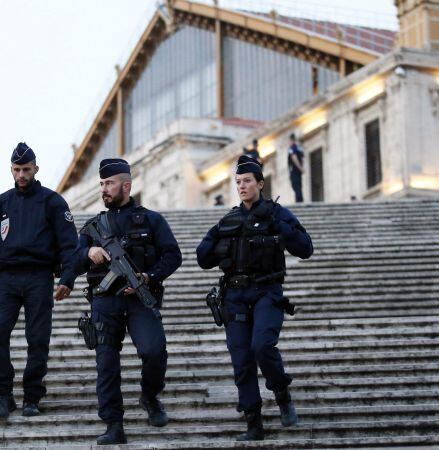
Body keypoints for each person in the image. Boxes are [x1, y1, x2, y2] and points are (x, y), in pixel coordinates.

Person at [196, 155, 313, 441]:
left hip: (266, 292)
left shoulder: (277, 213)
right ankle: (253, 423)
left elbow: (305, 248)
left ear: (261, 183)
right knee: (241, 360)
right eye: (238, 182)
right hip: (234, 296)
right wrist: (223, 239)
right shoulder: (229, 219)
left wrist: (278, 225)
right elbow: (202, 257)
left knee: (262, 345)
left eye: (247, 181)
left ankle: (282, 393)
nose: (242, 186)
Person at [74, 158, 182, 445]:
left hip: (139, 300)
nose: (104, 189)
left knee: (154, 352)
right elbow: (69, 262)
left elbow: (173, 255)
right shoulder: (92, 228)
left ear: (126, 185)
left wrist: (149, 276)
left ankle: (149, 397)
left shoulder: (151, 220)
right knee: (106, 364)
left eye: (109, 184)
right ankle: (113, 423)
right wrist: (88, 253)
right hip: (104, 302)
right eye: (101, 184)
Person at [0, 142, 78, 420]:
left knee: (38, 338)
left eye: (26, 169)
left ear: (36, 169)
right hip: (6, 279)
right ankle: (4, 396)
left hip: (39, 277)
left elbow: (70, 245)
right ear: (11, 169)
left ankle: (32, 397)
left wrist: (67, 277)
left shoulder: (53, 202)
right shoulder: (0, 204)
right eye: (17, 170)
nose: (21, 175)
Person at [287, 133, 305, 202]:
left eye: (289, 141)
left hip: (294, 170)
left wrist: (300, 168)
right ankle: (299, 199)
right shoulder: (299, 148)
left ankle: (299, 200)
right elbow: (303, 158)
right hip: (298, 171)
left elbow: (294, 158)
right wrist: (302, 168)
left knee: (295, 184)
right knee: (299, 185)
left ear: (291, 140)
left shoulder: (292, 148)